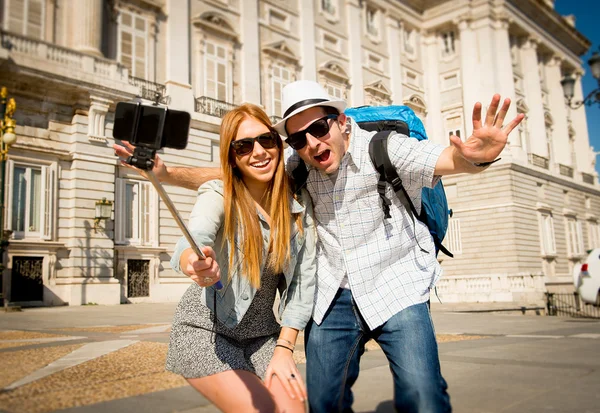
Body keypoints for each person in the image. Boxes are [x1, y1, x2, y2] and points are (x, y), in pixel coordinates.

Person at [115, 81, 523, 412]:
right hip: (313, 301)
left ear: (341, 122)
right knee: (322, 403)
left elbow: (444, 160)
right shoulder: (293, 167)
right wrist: (167, 179)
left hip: (394, 285)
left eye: (319, 128)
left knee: (422, 396)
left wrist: (478, 158)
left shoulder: (384, 149)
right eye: (295, 138)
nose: (310, 141)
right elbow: (216, 198)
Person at [153, 103, 316, 413]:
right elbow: (194, 238)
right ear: (232, 156)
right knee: (261, 410)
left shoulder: (296, 210)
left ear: (277, 143)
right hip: (205, 330)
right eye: (244, 146)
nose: (258, 152)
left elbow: (301, 287)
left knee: (295, 410)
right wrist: (195, 263)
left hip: (262, 335)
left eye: (266, 140)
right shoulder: (218, 193)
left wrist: (284, 348)